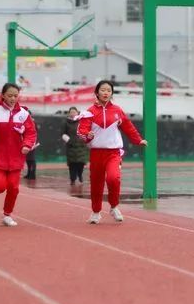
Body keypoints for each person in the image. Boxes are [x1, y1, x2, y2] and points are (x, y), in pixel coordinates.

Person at [77, 80, 147, 224]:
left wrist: (138, 140)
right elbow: (81, 131)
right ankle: (96, 212)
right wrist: (87, 136)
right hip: (96, 153)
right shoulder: (89, 112)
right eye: (103, 90)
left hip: (113, 152)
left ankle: (114, 207)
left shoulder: (117, 111)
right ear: (97, 93)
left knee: (113, 178)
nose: (106, 93)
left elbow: (128, 126)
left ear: (112, 93)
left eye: (109, 90)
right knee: (96, 184)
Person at [0, 83, 37, 227]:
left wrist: (26, 145)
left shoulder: (24, 113)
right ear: (3, 95)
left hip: (16, 158)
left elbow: (31, 133)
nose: (12, 98)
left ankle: (7, 215)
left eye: (15, 96)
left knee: (14, 188)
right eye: (9, 95)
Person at [62, 107, 89, 186]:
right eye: (71, 112)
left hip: (81, 146)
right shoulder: (66, 123)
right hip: (71, 146)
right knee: (72, 164)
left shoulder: (82, 121)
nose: (73, 113)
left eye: (74, 112)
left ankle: (80, 175)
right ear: (69, 113)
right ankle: (72, 179)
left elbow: (86, 131)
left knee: (81, 163)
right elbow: (63, 134)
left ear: (77, 113)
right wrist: (69, 141)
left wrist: (85, 139)